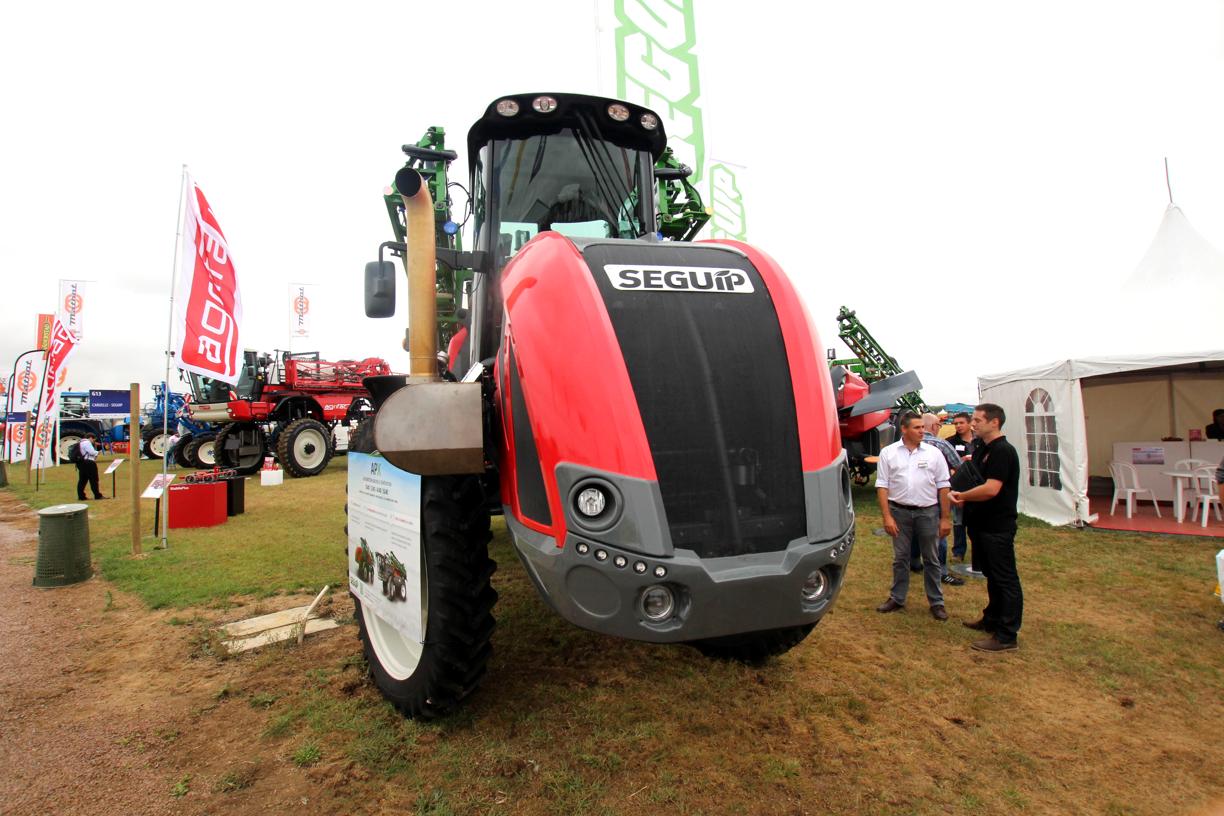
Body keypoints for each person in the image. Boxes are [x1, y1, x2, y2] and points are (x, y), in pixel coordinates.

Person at [949, 403, 1022, 652]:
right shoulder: (982, 448)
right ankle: (991, 619)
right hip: (980, 524)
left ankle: (1006, 635)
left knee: (1005, 579)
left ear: (994, 422)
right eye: (973, 419)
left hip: (997, 526)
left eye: (978, 420)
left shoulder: (1003, 451)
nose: (973, 424)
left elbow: (992, 488)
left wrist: (962, 495)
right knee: (992, 576)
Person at [875, 412, 953, 621]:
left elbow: (944, 485)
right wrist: (887, 517)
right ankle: (897, 597)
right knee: (901, 558)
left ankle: (936, 602)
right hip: (899, 512)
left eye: (922, 427)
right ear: (904, 429)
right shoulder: (889, 453)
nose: (922, 431)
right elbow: (882, 486)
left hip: (928, 512)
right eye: (917, 428)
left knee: (932, 558)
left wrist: (945, 518)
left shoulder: (934, 453)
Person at [922, 413, 966, 587]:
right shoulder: (940, 444)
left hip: (914, 498)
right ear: (934, 426)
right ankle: (941, 572)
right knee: (940, 533)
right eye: (939, 425)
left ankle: (915, 563)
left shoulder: (905, 443)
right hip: (938, 496)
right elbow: (960, 467)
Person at [946, 412, 977, 565]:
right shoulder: (950, 442)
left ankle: (979, 551)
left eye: (961, 423)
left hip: (978, 486)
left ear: (970, 423)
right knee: (958, 520)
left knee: (977, 521)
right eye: (955, 423)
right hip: (959, 487)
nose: (958, 426)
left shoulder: (980, 441)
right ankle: (958, 552)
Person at [76, 432, 105, 501]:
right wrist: (98, 452)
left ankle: (81, 496)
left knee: (82, 480)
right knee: (94, 479)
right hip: (89, 462)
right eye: (93, 440)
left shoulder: (80, 442)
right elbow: (92, 452)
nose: (93, 441)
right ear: (91, 438)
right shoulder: (87, 442)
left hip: (81, 462)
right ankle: (97, 495)